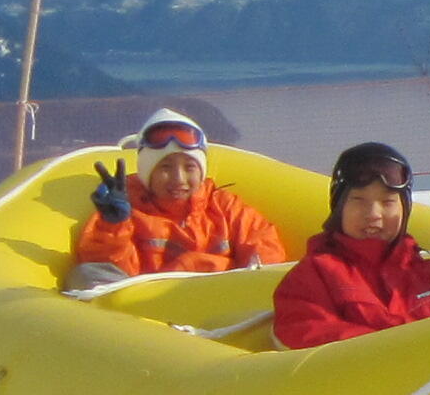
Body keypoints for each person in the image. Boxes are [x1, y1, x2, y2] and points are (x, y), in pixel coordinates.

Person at [272, 141, 430, 349]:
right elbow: (304, 333)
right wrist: (412, 344)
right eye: (359, 201)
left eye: (388, 202)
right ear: (339, 209)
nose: (373, 214)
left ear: (404, 210)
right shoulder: (313, 277)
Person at [62, 109, 288, 292]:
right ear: (147, 171)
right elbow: (113, 271)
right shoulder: (127, 208)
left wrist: (252, 284)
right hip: (152, 309)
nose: (178, 179)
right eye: (165, 168)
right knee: (86, 275)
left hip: (220, 300)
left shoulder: (224, 206)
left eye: (189, 167)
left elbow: (263, 246)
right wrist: (112, 226)